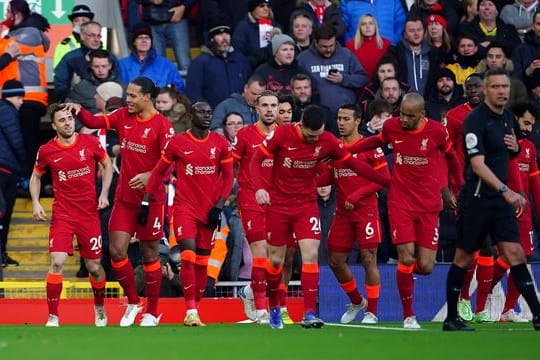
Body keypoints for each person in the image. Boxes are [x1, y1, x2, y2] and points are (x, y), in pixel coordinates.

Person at [250, 104, 390, 329]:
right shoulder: (283, 134)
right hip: (279, 204)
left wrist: (390, 183)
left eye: (317, 135)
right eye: (309, 135)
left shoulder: (327, 140)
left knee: (311, 255)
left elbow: (354, 164)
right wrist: (258, 188)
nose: (314, 140)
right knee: (276, 260)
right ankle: (275, 306)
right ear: (301, 125)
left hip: (306, 205)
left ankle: (309, 312)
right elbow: (256, 160)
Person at [63, 76, 175, 327]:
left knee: (149, 255)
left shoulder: (163, 126)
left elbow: (169, 165)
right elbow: (93, 121)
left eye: (133, 96)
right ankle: (134, 302)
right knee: (115, 251)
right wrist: (78, 110)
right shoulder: (123, 115)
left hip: (152, 200)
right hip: (125, 198)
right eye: (128, 95)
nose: (128, 99)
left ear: (148, 97)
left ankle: (152, 312)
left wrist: (149, 176)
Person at [348, 92, 463, 329]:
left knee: (426, 266)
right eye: (402, 113)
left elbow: (452, 156)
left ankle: (406, 276)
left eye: (410, 116)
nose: (404, 119)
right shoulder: (392, 127)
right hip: (400, 202)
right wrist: (351, 150)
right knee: (406, 257)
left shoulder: (436, 132)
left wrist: (456, 187)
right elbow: (376, 141)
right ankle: (409, 316)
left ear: (422, 115)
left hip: (429, 204)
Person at [443, 67, 540, 331]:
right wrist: (506, 191)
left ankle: (538, 315)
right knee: (464, 258)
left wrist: (516, 148)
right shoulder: (474, 120)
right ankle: (452, 317)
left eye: (504, 87)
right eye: (495, 87)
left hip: (499, 201)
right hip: (476, 199)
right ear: (485, 89)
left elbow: (507, 154)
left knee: (515, 253)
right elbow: (477, 164)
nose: (501, 91)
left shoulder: (508, 118)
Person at [140, 101, 234, 326]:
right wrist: (145, 202)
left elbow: (229, 178)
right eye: (201, 111)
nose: (207, 115)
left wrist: (219, 207)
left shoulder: (220, 142)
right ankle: (190, 309)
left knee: (202, 261)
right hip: (185, 208)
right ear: (191, 115)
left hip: (210, 210)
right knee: (188, 254)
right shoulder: (178, 143)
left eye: (209, 112)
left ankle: (195, 308)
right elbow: (158, 173)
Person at [29, 103, 113, 327]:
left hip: (89, 214)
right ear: (54, 125)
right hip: (63, 215)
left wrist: (104, 194)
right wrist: (36, 203)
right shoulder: (47, 150)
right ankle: (53, 316)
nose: (68, 123)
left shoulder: (90, 142)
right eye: (62, 120)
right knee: (57, 262)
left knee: (94, 267)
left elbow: (107, 164)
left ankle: (99, 307)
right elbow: (35, 177)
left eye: (69, 118)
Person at [319, 104, 389, 324]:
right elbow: (330, 176)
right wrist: (304, 181)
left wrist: (356, 195)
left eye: (346, 118)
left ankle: (372, 312)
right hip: (342, 212)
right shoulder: (335, 147)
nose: (341, 122)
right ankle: (358, 301)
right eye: (339, 118)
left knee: (369, 259)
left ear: (357, 120)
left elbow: (383, 179)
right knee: (335, 260)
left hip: (365, 211)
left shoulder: (370, 146)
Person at [232, 91, 279, 324]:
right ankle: (262, 309)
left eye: (274, 105)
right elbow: (229, 162)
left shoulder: (285, 135)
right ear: (256, 109)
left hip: (278, 201)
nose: (270, 110)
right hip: (250, 198)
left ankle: (249, 291)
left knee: (274, 257)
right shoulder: (245, 135)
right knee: (260, 251)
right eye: (265, 105)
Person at [0, 0, 50, 179]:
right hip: (18, 98)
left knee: (28, 142)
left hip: (30, 99)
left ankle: (32, 180)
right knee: (19, 141)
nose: (6, 16)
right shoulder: (17, 33)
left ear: (18, 14)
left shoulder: (28, 34)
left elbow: (5, 51)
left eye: (8, 12)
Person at [297, 24, 368, 116]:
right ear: (315, 43)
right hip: (317, 113)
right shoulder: (303, 59)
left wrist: (343, 79)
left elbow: (363, 78)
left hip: (345, 112)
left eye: (331, 45)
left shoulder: (346, 55)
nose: (328, 50)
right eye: (324, 47)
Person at [186, 21, 251, 109]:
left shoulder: (240, 60)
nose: (225, 38)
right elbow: (194, 94)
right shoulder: (200, 62)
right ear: (212, 39)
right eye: (219, 34)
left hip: (240, 116)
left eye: (227, 34)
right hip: (213, 116)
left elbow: (249, 87)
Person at [0, 80, 25, 267]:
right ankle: (1, 254)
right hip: (5, 171)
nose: (22, 101)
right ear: (11, 96)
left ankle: (2, 254)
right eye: (19, 97)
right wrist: (26, 166)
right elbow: (16, 140)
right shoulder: (7, 110)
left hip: (5, 169)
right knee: (4, 215)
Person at [119, 22, 185, 91]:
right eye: (140, 38)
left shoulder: (166, 64)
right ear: (134, 42)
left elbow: (179, 89)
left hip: (159, 101)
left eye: (147, 38)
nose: (144, 41)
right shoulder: (122, 65)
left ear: (151, 41)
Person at [136, 0, 194, 74]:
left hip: (177, 17)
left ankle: (186, 85)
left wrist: (184, 6)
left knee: (184, 64)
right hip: (153, 21)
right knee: (157, 67)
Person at [345, 14, 391, 81]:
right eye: (363, 24)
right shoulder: (350, 45)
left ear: (376, 26)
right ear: (359, 28)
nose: (367, 26)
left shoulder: (386, 44)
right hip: (358, 85)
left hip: (380, 86)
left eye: (371, 23)